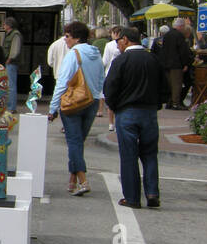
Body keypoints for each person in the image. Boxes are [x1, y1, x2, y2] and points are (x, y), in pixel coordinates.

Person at [104, 25, 165, 209]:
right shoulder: (153, 59)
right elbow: (165, 87)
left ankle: (132, 197)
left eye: (118, 42)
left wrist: (114, 107)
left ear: (125, 40)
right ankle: (152, 192)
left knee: (129, 156)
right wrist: (157, 104)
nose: (117, 45)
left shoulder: (122, 61)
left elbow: (110, 88)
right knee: (149, 154)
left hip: (127, 112)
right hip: (149, 112)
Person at [47, 21, 104, 196]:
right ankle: (72, 180)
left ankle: (83, 179)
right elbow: (102, 79)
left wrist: (53, 107)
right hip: (92, 101)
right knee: (78, 142)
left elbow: (62, 83)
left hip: (74, 102)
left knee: (74, 142)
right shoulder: (96, 54)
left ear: (76, 38)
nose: (65, 40)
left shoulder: (73, 54)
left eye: (68, 36)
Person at [152, 17, 193, 109]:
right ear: (181, 26)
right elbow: (183, 51)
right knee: (177, 84)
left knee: (170, 84)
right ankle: (176, 103)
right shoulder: (179, 36)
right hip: (176, 64)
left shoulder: (167, 35)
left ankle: (170, 102)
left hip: (166, 64)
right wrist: (185, 63)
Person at [100, 25, 122, 131]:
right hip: (122, 75)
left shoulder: (109, 45)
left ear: (114, 34)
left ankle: (111, 123)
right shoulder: (125, 44)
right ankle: (118, 122)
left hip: (110, 73)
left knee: (110, 99)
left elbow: (104, 61)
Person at [2, 17, 22, 98]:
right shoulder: (10, 34)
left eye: (5, 24)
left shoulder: (15, 34)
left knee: (11, 85)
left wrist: (9, 60)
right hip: (9, 62)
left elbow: (15, 49)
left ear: (9, 25)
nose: (3, 25)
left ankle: (11, 108)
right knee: (9, 85)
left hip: (11, 63)